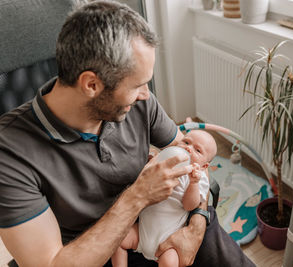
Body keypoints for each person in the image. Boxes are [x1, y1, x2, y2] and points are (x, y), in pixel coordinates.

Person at [0, 1, 255, 266]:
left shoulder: (140, 104)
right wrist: (138, 195)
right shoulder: (10, 152)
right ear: (91, 84)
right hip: (92, 251)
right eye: (138, 85)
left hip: (161, 220)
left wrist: (197, 225)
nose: (146, 94)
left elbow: (192, 159)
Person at [112, 130, 217, 267]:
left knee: (169, 262)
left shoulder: (198, 178)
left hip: (168, 243)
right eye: (186, 142)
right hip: (142, 233)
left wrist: (193, 184)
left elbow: (189, 206)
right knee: (116, 241)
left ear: (204, 166)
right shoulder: (164, 161)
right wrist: (151, 160)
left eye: (197, 150)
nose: (188, 148)